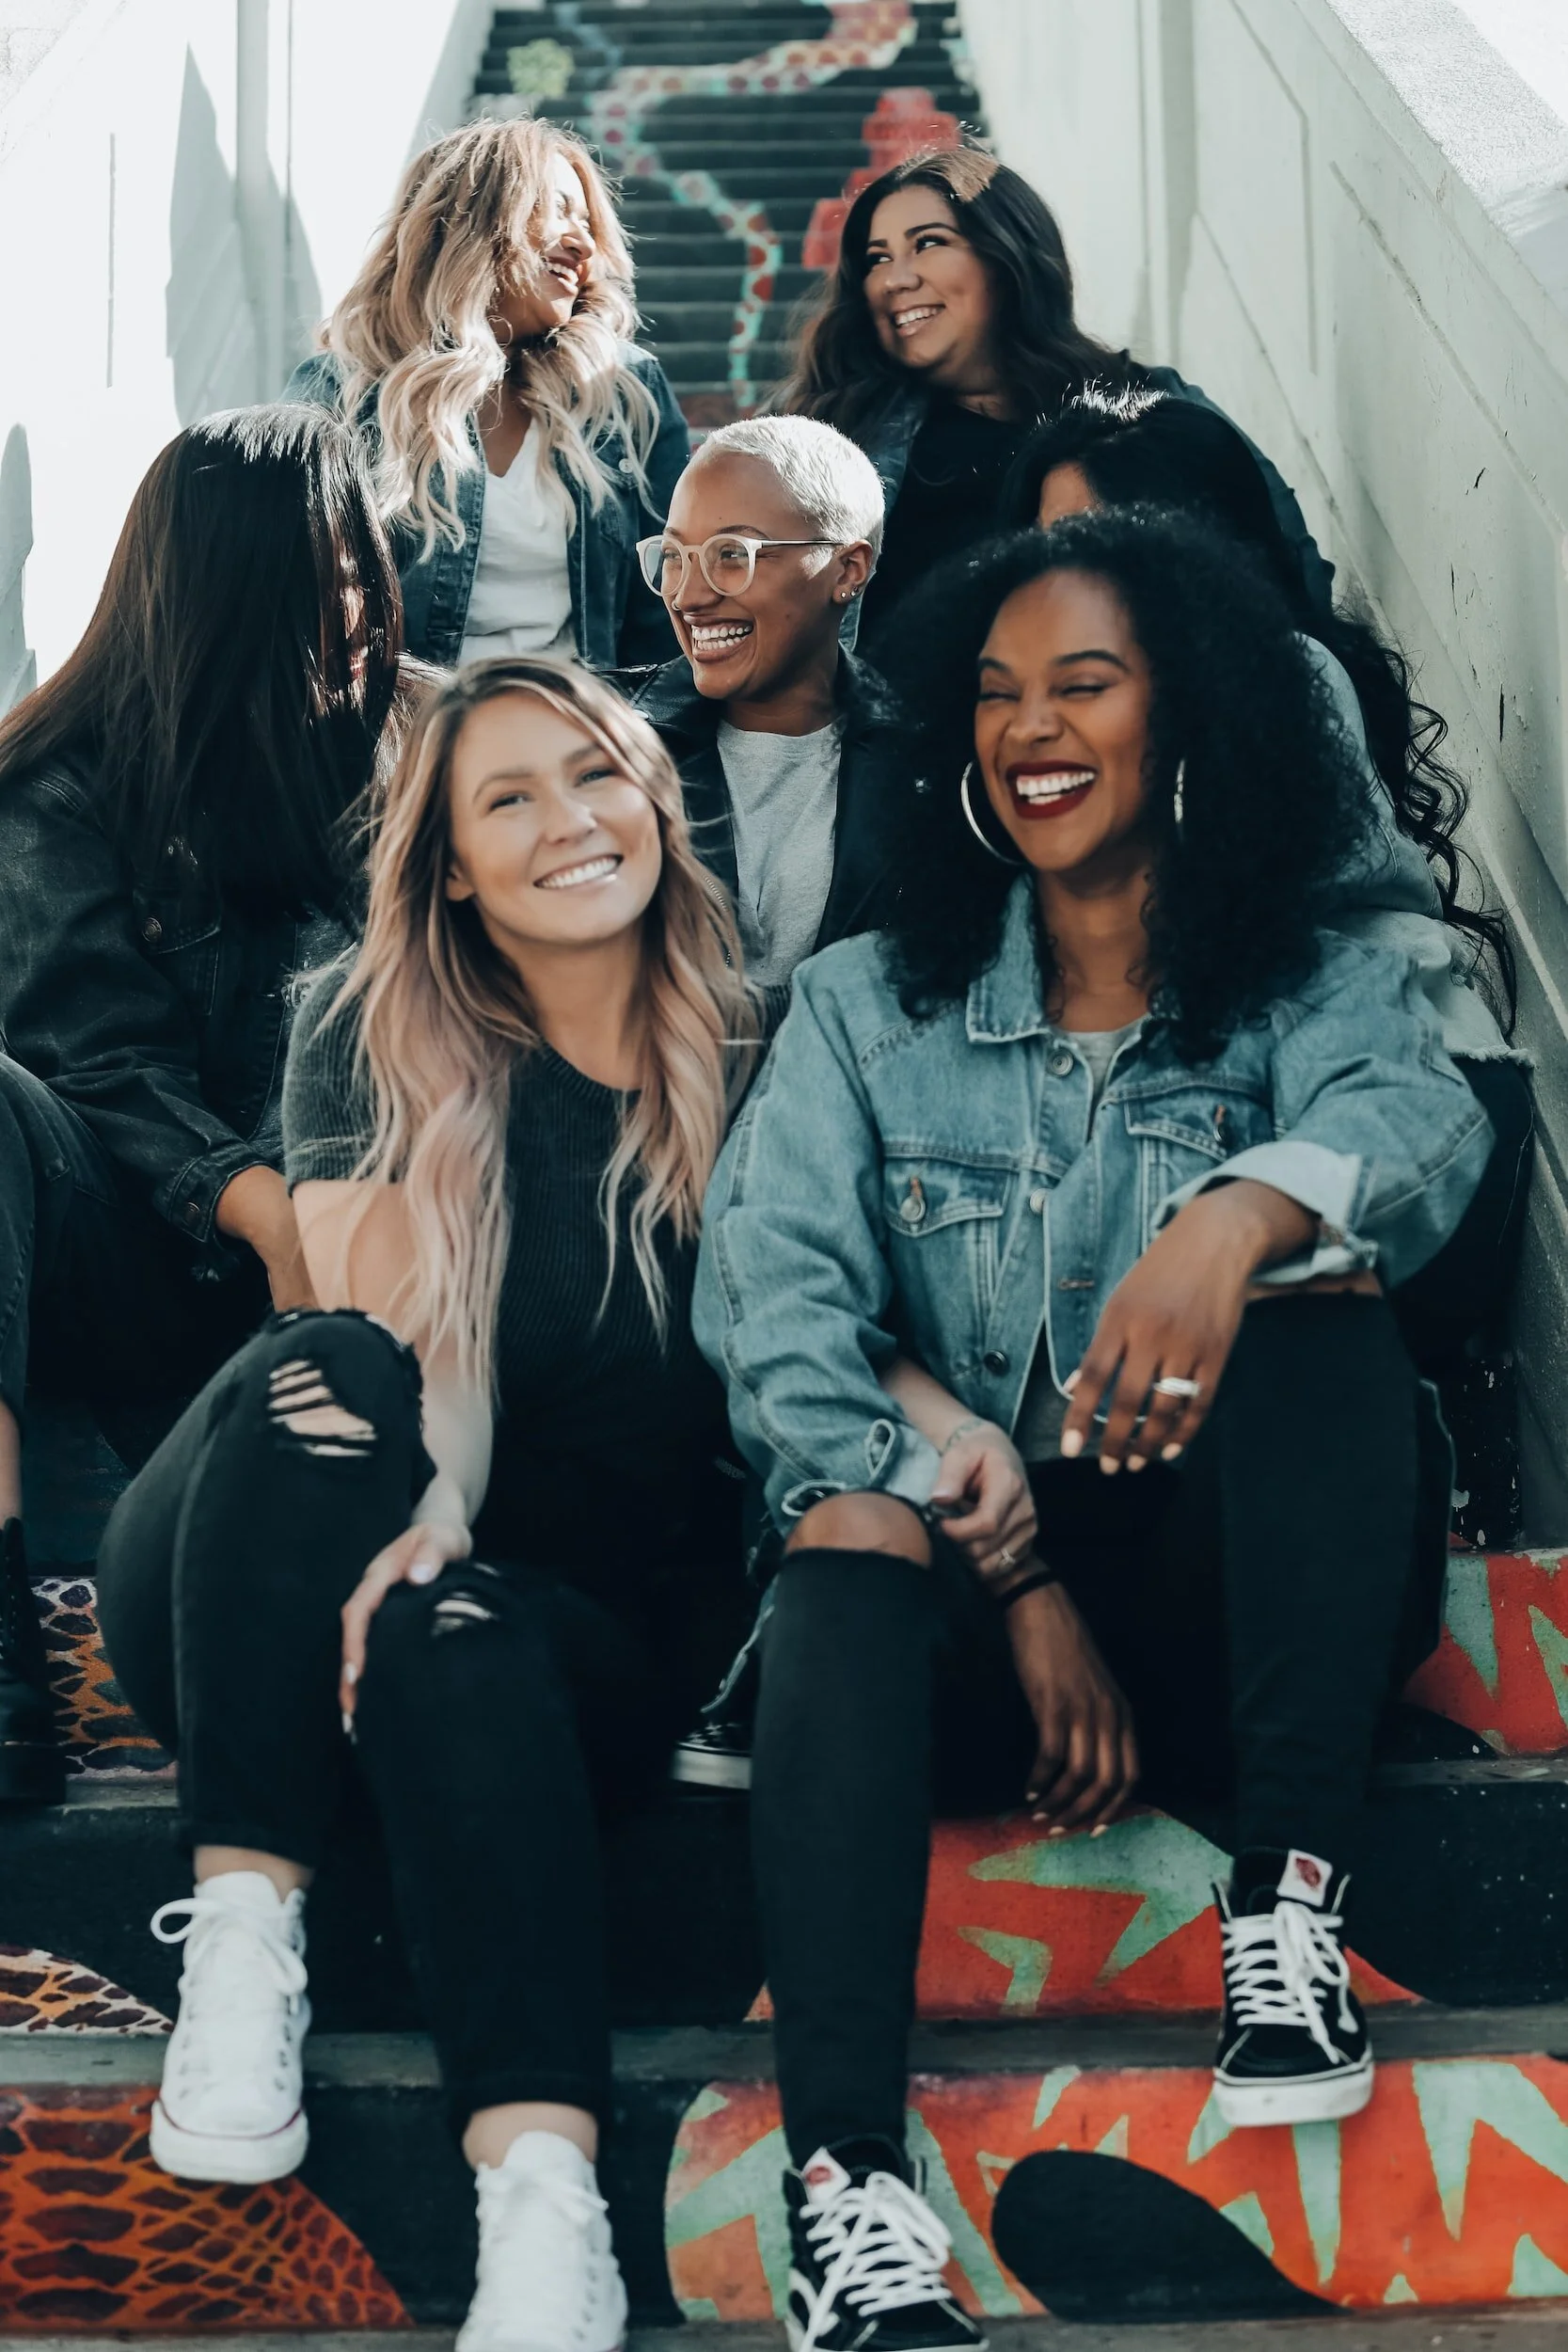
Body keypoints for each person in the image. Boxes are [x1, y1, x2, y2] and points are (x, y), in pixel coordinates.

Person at [693, 513, 1491, 2351]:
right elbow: (763, 1311)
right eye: (991, 691)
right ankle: (844, 2190)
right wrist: (1013, 1565)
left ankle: (1281, 1914)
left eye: (1082, 681)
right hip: (972, 1623)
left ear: (1189, 718)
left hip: (1251, 1611)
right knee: (839, 1531)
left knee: (1312, 1287)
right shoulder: (860, 1011)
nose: (1026, 725)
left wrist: (1231, 1215)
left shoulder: (1303, 983)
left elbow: (1417, 1127)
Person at [94, 656, 754, 2352]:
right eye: (507, 800)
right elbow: (410, 1344)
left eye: (595, 775)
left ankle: (544, 2218)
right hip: (274, 1585)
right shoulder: (365, 1019)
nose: (567, 824)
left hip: (550, 1643)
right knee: (330, 1368)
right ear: (450, 863)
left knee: (455, 1631)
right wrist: (432, 1504)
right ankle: (243, 1924)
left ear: (659, 796)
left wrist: (448, 1569)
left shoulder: (759, 1045)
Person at [1000, 388, 1532, 1471]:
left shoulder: (1274, 671)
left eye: (1093, 543)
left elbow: (1202, 930)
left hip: (1402, 1102)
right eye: (1044, 547)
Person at [0, 404, 404, 1805]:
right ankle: (4, 1636)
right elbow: (95, 1062)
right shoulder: (61, 784)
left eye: (363, 565)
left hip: (397, 1245)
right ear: (225, 590)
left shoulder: (413, 748)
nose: (358, 606)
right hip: (154, 1258)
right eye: (321, 575)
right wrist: (266, 1209)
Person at [780, 145, 1331, 653]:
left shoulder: (1154, 410)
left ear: (1006, 255)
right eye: (877, 258)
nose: (895, 279)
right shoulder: (835, 436)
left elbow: (1283, 570)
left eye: (928, 243)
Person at [289, 118, 689, 672]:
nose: (585, 243)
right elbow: (295, 602)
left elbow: (669, 612)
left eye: (588, 222)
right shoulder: (342, 392)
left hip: (579, 733)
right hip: (410, 741)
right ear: (474, 221)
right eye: (559, 210)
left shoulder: (623, 392)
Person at [624, 413, 893, 1015]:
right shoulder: (606, 747)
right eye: (674, 556)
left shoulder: (926, 768)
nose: (690, 596)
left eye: (730, 555)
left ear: (847, 570)